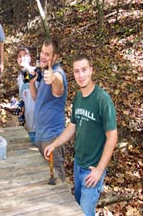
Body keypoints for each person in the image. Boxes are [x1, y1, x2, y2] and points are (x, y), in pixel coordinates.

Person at [44, 54, 118, 216]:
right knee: (76, 208)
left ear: (91, 70)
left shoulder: (102, 100)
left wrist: (99, 170)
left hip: (92, 170)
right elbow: (72, 127)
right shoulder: (78, 97)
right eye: (77, 71)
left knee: (85, 212)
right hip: (78, 165)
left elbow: (112, 136)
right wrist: (54, 144)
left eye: (84, 70)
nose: (81, 75)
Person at [29, 39, 68, 182]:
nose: (43, 57)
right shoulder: (45, 73)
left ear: (55, 57)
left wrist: (53, 79)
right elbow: (37, 98)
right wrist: (32, 83)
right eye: (42, 53)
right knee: (48, 176)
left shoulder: (57, 73)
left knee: (57, 177)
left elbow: (59, 88)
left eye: (47, 54)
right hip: (41, 135)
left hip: (52, 138)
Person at [16, 46, 37, 145]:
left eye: (24, 55)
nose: (21, 58)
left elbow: (38, 97)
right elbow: (23, 98)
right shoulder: (20, 78)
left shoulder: (36, 73)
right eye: (19, 56)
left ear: (29, 58)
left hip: (39, 125)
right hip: (29, 125)